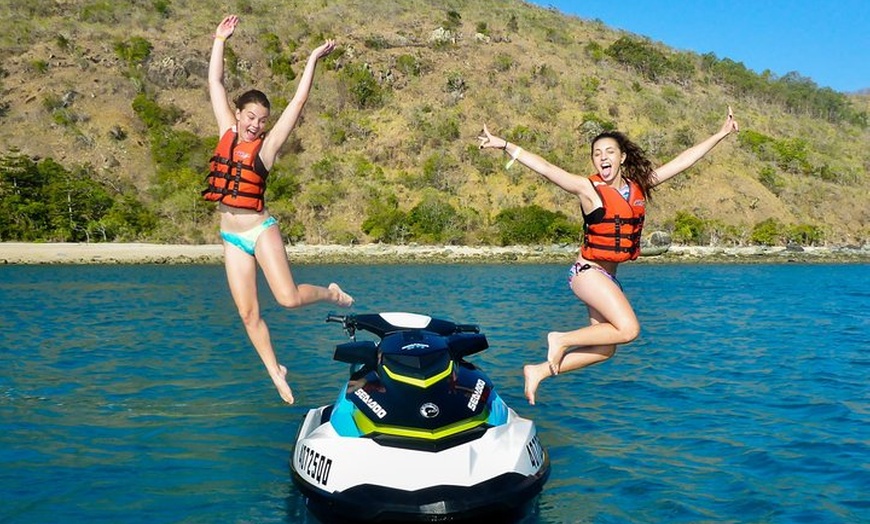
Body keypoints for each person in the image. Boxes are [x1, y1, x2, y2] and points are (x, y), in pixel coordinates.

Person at [478, 107, 739, 405]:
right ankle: (560, 339)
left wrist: (720, 134)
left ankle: (538, 371)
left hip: (607, 278)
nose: (603, 158)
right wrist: (506, 145)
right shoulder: (588, 189)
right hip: (587, 273)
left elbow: (683, 161)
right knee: (628, 329)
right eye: (597, 153)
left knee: (605, 348)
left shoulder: (638, 186)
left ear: (622, 157)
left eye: (609, 152)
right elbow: (547, 168)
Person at [205, 15, 353, 404]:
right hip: (231, 237)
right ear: (238, 115)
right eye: (250, 117)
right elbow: (216, 83)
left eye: (262, 121)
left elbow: (298, 103)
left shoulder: (266, 149)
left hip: (260, 229)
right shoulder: (225, 129)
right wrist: (220, 40)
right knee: (248, 314)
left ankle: (330, 293)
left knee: (287, 299)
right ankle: (275, 370)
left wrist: (312, 61)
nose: (255, 125)